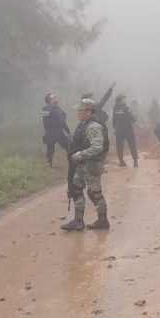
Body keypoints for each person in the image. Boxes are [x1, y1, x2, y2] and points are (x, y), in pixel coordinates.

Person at [61, 99, 110, 231]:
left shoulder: (93, 126)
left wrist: (80, 154)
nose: (77, 113)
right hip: (82, 165)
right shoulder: (84, 124)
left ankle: (103, 221)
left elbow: (97, 147)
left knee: (95, 193)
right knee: (76, 190)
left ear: (88, 112)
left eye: (80, 110)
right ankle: (78, 221)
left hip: (91, 165)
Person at [41, 93, 70, 168]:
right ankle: (72, 161)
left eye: (55, 97)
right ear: (49, 100)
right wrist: (68, 131)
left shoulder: (44, 109)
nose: (55, 98)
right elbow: (62, 121)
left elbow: (45, 120)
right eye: (53, 98)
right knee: (69, 146)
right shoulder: (56, 109)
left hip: (49, 132)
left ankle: (48, 163)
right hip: (57, 132)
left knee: (50, 149)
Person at [112, 94, 138, 168]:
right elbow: (131, 117)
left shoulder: (115, 108)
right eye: (124, 99)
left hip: (120, 130)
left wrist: (114, 128)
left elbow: (114, 119)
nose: (125, 100)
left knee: (119, 146)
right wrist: (137, 124)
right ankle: (133, 162)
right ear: (120, 100)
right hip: (127, 130)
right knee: (132, 145)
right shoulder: (125, 107)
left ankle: (125, 161)